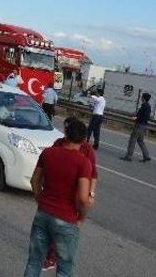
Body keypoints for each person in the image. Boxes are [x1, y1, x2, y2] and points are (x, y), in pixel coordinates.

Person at [24, 119, 92, 277]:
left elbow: (34, 180)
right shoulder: (83, 162)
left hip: (43, 214)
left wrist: (40, 201)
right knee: (64, 269)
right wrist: (81, 217)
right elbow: (83, 198)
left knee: (34, 262)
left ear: (65, 134)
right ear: (83, 140)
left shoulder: (48, 153)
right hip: (66, 219)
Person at [43, 116, 98, 271]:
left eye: (67, 129)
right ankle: (52, 255)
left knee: (65, 228)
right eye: (65, 129)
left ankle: (54, 258)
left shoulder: (87, 150)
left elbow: (93, 174)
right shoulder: (58, 144)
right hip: (56, 193)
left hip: (74, 195)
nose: (65, 133)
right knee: (54, 227)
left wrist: (90, 194)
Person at [121, 93, 152, 162]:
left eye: (142, 97)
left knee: (132, 140)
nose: (141, 98)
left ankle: (129, 156)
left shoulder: (144, 106)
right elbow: (146, 117)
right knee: (140, 141)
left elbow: (142, 116)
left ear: (144, 98)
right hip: (144, 126)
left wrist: (136, 118)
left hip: (139, 125)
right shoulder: (148, 106)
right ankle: (146, 156)